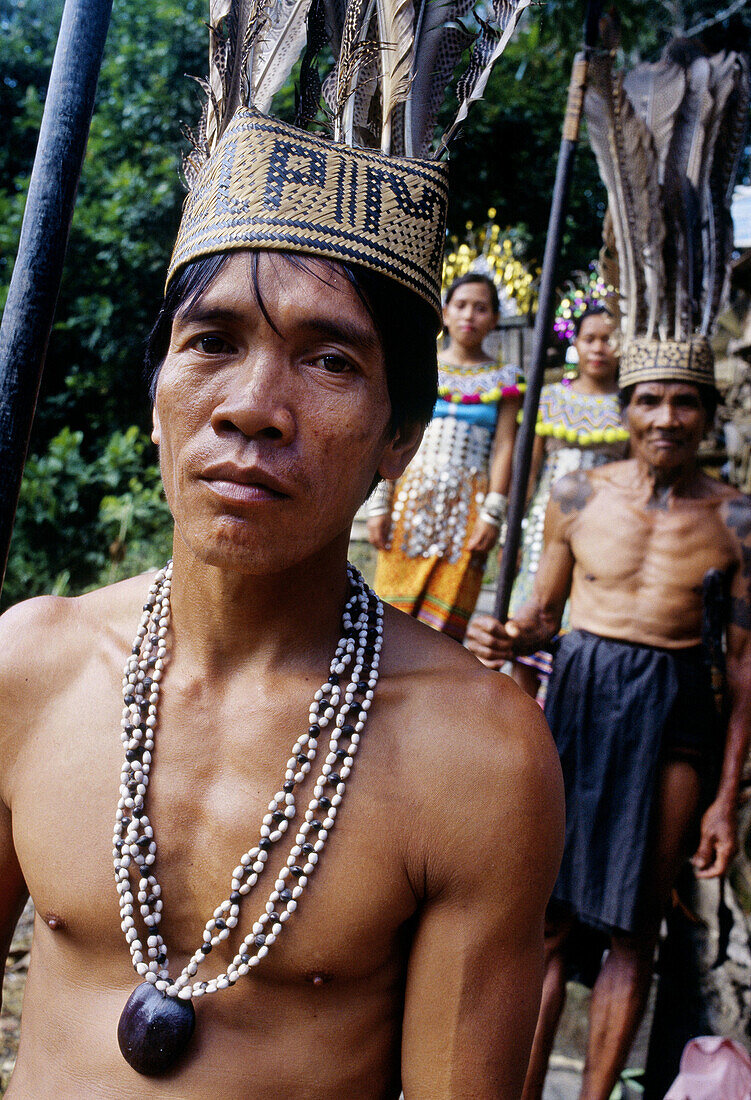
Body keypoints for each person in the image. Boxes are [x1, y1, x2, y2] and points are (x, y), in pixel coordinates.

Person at [0, 0, 563, 1095]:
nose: (253, 405)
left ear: (401, 434)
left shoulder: (477, 756)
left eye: (330, 362)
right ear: (157, 390)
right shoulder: (31, 668)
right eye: (212, 341)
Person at [467, 39, 751, 1100]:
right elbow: (539, 612)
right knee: (545, 914)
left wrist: (726, 795)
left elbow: (743, 662)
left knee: (632, 924)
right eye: (648, 401)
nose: (665, 417)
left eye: (684, 402)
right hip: (580, 681)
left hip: (672, 702)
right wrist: (508, 634)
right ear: (625, 409)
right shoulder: (580, 491)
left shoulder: (737, 517)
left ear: (705, 414)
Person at [367, 271, 522, 641]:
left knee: (446, 622)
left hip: (469, 510)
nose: (470, 315)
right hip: (409, 502)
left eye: (481, 308)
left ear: (495, 320)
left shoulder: (506, 379)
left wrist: (493, 514)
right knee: (387, 613)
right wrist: (379, 504)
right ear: (445, 313)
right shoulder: (417, 367)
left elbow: (505, 448)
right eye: (461, 305)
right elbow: (393, 435)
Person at [508, 304, 628, 696]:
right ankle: (522, 718)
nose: (599, 348)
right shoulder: (548, 399)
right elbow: (529, 469)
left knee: (579, 622)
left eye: (608, 339)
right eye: (589, 338)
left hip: (604, 530)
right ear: (575, 343)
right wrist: (516, 523)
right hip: (545, 524)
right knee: (529, 616)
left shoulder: (632, 407)